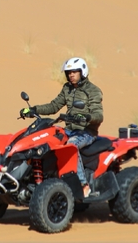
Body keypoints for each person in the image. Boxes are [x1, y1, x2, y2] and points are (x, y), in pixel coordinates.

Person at [20, 57, 103, 197]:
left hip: (86, 132)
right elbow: (54, 106)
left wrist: (87, 117)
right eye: (69, 72)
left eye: (74, 72)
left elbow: (99, 115)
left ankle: (83, 185)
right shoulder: (67, 88)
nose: (71, 75)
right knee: (45, 140)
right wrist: (34, 109)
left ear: (82, 72)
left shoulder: (93, 90)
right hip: (69, 130)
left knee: (70, 146)